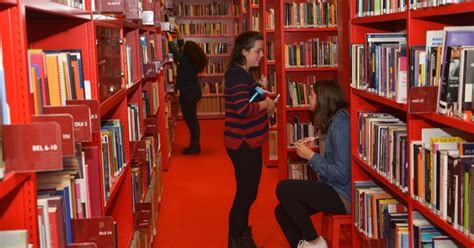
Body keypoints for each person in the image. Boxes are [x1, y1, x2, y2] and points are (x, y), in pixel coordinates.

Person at [275, 80, 350, 248]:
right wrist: (313, 151)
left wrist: (311, 157)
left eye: (311, 94)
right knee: (281, 211)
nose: (308, 97)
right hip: (331, 186)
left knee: (283, 188)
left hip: (342, 195)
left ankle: (315, 242)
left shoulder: (340, 126)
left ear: (322, 99)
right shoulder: (332, 121)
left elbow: (342, 174)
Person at [224, 31, 276, 248]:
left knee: (248, 192)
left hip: (248, 141)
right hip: (242, 143)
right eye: (257, 51)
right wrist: (267, 105)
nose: (262, 55)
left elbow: (248, 98)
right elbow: (243, 108)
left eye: (262, 50)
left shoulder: (244, 74)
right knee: (246, 193)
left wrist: (260, 89)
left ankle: (243, 236)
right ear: (244, 52)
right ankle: (236, 239)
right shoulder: (237, 75)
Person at [166, 27, 208, 154]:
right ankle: (195, 144)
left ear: (187, 53)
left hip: (188, 93)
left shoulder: (184, 61)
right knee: (192, 119)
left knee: (191, 120)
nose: (182, 49)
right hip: (194, 91)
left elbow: (175, 51)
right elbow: (181, 46)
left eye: (184, 49)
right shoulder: (190, 60)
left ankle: (194, 146)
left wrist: (169, 40)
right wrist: (178, 35)